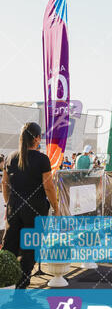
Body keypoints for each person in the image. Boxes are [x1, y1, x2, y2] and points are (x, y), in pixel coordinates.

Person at [2, 122, 59, 288]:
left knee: (9, 246)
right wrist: (56, 207)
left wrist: (8, 204)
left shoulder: (11, 157)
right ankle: (20, 289)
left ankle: (6, 286)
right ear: (38, 138)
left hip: (15, 207)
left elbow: (5, 184)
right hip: (35, 209)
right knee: (30, 249)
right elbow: (48, 186)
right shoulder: (42, 159)